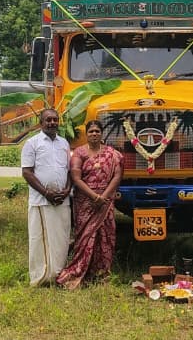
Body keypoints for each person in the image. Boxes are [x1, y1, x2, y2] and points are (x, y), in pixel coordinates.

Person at [56, 119, 123, 289]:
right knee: (84, 237)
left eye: (97, 131)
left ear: (101, 134)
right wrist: (94, 197)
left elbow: (117, 176)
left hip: (105, 201)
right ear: (86, 134)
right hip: (86, 201)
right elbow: (76, 178)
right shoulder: (79, 153)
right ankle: (80, 270)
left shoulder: (112, 154)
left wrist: (103, 197)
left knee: (105, 236)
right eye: (91, 131)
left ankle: (101, 272)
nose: (94, 134)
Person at [21, 108, 72, 286]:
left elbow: (69, 171)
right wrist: (46, 193)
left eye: (55, 119)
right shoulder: (32, 143)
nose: (52, 123)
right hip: (42, 201)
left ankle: (58, 275)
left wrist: (67, 190)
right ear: (41, 122)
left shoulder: (64, 143)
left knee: (61, 239)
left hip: (62, 201)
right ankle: (41, 277)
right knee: (40, 239)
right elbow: (27, 172)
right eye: (48, 120)